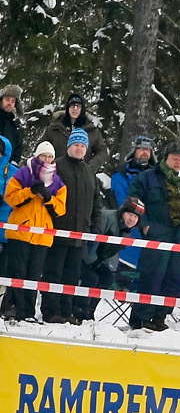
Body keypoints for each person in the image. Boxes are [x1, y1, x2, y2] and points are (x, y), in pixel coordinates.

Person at [126, 141, 180, 331]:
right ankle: (141, 318)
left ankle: (159, 317)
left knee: (175, 280)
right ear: (165, 159)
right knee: (152, 277)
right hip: (156, 235)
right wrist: (144, 226)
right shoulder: (148, 177)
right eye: (174, 159)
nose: (178, 162)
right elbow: (133, 200)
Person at [1, 141, 66, 321]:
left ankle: (28, 312)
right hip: (20, 232)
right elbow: (10, 197)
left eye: (50, 156)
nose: (47, 159)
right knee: (18, 273)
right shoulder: (23, 173)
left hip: (42, 236)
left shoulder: (57, 181)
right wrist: (30, 192)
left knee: (33, 276)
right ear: (37, 156)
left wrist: (48, 198)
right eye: (43, 156)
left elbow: (61, 209)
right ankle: (13, 309)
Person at [42, 128, 101, 323]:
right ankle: (51, 311)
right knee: (53, 273)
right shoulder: (57, 166)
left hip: (80, 234)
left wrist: (96, 226)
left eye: (83, 145)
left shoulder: (89, 172)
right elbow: (46, 197)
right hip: (58, 231)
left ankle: (66, 312)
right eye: (76, 144)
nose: (79, 148)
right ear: (69, 147)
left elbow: (96, 202)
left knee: (72, 276)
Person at [107, 135, 156, 276]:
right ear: (134, 151)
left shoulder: (157, 175)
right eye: (141, 149)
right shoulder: (121, 174)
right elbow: (123, 203)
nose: (145, 152)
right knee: (126, 276)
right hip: (130, 230)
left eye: (148, 149)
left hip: (153, 231)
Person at [87, 197, 146, 292]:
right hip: (84, 258)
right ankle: (80, 306)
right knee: (92, 278)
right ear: (122, 211)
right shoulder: (106, 218)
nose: (131, 219)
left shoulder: (126, 231)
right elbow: (88, 243)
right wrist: (94, 263)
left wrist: (108, 269)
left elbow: (111, 254)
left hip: (98, 261)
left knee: (107, 279)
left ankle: (90, 307)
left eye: (135, 217)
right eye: (130, 214)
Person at [40, 92, 108, 173]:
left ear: (82, 109)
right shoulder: (55, 128)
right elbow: (41, 148)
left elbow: (102, 152)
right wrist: (49, 163)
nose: (75, 109)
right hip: (57, 174)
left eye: (78, 106)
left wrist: (89, 167)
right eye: (72, 106)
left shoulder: (92, 130)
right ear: (68, 108)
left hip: (82, 175)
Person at [0, 84, 23, 179]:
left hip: (6, 172)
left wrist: (14, 163)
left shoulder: (14, 126)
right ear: (1, 100)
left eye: (13, 101)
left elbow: (18, 147)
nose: (9, 103)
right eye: (7, 99)